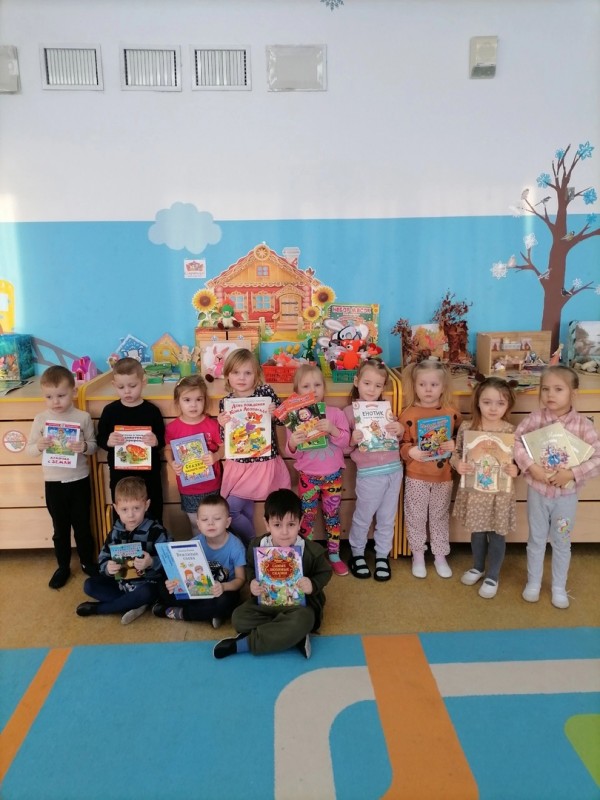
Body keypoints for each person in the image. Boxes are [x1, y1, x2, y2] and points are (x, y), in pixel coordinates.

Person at [514, 365, 600, 609]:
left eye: (558, 389)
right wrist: (532, 467)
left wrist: (572, 473)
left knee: (562, 541)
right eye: (545, 389)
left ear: (574, 393)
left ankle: (559, 587)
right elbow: (516, 443)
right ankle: (533, 582)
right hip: (538, 492)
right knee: (536, 539)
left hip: (566, 497)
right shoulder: (535, 418)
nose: (550, 394)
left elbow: (597, 457)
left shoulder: (583, 425)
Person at [213, 489, 332, 659]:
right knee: (239, 618)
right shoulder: (257, 545)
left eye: (291, 524)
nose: (284, 532)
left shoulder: (312, 551)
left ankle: (244, 644)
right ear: (267, 524)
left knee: (304, 620)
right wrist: (252, 582)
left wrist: (312, 585)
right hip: (265, 604)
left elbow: (325, 572)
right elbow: (250, 568)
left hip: (298, 607)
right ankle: (291, 635)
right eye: (277, 525)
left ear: (300, 523)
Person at [26, 365, 98, 589]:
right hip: (54, 483)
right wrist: (39, 445)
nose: (55, 401)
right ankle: (63, 566)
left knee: (83, 526)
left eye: (61, 395)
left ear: (73, 392)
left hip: (79, 480)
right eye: (49, 397)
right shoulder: (41, 419)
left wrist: (83, 446)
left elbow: (94, 446)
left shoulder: (83, 417)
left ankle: (87, 562)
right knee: (60, 529)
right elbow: (30, 450)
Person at [451, 377, 518, 598]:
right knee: (477, 532)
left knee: (497, 534)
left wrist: (516, 470)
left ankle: (493, 575)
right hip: (475, 492)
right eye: (487, 402)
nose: (493, 408)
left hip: (499, 494)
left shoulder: (511, 431)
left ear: (508, 405)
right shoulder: (467, 427)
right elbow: (456, 454)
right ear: (478, 402)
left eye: (500, 403)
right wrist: (457, 464)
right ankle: (478, 567)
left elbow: (519, 462)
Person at [217, 349, 290, 543]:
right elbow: (226, 439)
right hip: (239, 464)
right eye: (236, 372)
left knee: (232, 510)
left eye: (247, 373)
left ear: (256, 375)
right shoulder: (226, 402)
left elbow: (284, 420)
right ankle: (253, 546)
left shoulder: (266, 393)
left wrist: (275, 413)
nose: (241, 378)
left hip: (262, 462)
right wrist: (222, 425)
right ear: (227, 375)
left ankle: (252, 543)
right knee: (241, 510)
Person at [285, 364, 351, 576]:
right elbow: (293, 453)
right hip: (308, 477)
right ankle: (307, 555)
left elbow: (346, 442)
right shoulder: (294, 418)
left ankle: (334, 555)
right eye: (306, 386)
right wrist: (293, 442)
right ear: (297, 392)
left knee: (332, 515)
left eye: (317, 385)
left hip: (333, 476)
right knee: (307, 517)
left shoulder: (335, 413)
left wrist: (332, 429)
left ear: (324, 387)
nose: (312, 390)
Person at [76, 477, 171, 624]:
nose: (131, 515)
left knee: (147, 592)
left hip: (148, 585)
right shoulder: (115, 532)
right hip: (122, 584)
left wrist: (151, 562)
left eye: (136, 508)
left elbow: (171, 562)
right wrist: (108, 568)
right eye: (124, 509)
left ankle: (100, 609)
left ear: (146, 505)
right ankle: (132, 603)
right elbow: (103, 558)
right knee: (89, 585)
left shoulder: (157, 531)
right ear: (116, 508)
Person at [399, 360, 462, 578]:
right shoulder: (407, 414)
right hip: (416, 475)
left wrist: (455, 444)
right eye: (422, 384)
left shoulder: (452, 413)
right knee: (415, 516)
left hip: (443, 476)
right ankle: (417, 555)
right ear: (414, 386)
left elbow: (462, 438)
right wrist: (410, 451)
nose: (428, 389)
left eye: (434, 385)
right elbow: (400, 445)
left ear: (443, 387)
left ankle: (440, 555)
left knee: (439, 516)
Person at [343, 359, 403, 581]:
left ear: (383, 387)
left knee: (387, 517)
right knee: (363, 516)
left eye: (378, 385)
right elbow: (344, 448)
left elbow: (397, 438)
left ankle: (382, 555)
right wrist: (352, 439)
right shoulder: (349, 412)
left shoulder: (386, 410)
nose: (371, 389)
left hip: (394, 470)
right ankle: (357, 553)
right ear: (357, 381)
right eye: (367, 383)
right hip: (369, 474)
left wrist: (399, 429)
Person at [152, 494, 245, 626]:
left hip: (222, 591)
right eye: (205, 519)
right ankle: (208, 614)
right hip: (197, 591)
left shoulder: (236, 546)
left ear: (227, 522)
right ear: (198, 524)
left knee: (226, 602)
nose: (210, 523)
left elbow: (241, 580)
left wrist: (224, 587)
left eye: (217, 518)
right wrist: (173, 583)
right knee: (162, 585)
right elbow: (182, 574)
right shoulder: (193, 544)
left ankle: (176, 612)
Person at [97, 357, 165, 522]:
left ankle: (154, 539)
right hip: (121, 476)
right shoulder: (110, 411)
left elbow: (162, 440)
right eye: (121, 387)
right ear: (114, 385)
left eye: (132, 386)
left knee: (153, 513)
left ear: (143, 382)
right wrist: (108, 441)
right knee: (123, 516)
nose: (127, 391)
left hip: (149, 476)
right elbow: (100, 439)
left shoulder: (152, 411)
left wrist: (156, 441)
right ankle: (123, 540)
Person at [164, 375, 223, 535]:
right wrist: (172, 463)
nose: (193, 405)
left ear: (205, 400)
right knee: (195, 524)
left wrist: (216, 456)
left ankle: (214, 548)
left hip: (212, 485)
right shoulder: (173, 428)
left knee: (213, 523)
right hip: (188, 487)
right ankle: (200, 550)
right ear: (178, 402)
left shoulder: (212, 425)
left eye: (199, 399)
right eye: (187, 400)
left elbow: (223, 447)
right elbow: (168, 449)